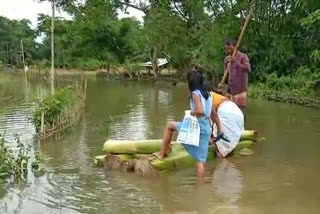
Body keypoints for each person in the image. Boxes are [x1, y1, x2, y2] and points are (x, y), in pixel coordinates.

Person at [153, 68, 223, 180]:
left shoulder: (195, 94)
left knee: (170, 125)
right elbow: (214, 113)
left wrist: (192, 112)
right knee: (200, 161)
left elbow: (199, 111)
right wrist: (220, 129)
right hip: (206, 128)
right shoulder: (208, 94)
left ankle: (162, 153)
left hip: (196, 127)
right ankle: (200, 187)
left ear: (190, 84)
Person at [207, 83, 244, 158]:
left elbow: (212, 118)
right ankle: (229, 161)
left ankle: (222, 166)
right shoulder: (216, 96)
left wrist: (210, 137)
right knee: (228, 144)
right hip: (237, 112)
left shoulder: (206, 97)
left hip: (227, 114)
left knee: (220, 149)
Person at [219, 39, 251, 109]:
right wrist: (222, 83)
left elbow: (248, 69)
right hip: (230, 90)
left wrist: (236, 62)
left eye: (230, 49)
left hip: (240, 90)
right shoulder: (227, 59)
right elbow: (225, 75)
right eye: (226, 49)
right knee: (228, 110)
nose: (228, 51)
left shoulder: (243, 56)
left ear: (235, 47)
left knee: (239, 112)